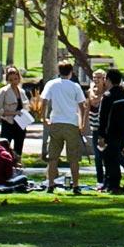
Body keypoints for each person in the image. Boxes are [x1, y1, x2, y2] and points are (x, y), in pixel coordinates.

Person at [37, 61, 89, 192]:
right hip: (71, 123)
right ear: (71, 72)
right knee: (73, 158)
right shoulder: (75, 86)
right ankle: (76, 185)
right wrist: (82, 123)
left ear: (59, 71)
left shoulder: (51, 84)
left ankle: (50, 184)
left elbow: (44, 101)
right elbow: (83, 106)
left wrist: (43, 117)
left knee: (53, 157)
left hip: (56, 122)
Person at [95, 69, 124, 193]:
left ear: (108, 80)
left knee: (110, 159)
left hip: (111, 132)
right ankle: (108, 183)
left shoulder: (108, 97)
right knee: (115, 157)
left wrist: (101, 135)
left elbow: (103, 117)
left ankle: (113, 185)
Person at [0, 67, 31, 160]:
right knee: (5, 149)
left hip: (20, 124)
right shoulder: (3, 91)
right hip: (8, 124)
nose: (14, 81)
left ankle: (17, 167)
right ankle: (4, 167)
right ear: (7, 80)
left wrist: (26, 112)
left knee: (18, 149)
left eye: (16, 79)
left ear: (19, 78)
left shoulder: (22, 91)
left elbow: (26, 106)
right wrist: (14, 113)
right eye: (10, 79)